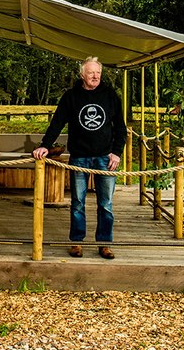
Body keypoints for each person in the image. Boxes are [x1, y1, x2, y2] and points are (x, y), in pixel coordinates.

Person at [32, 56, 125, 260]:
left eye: (98, 73)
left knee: (106, 204)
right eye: (91, 73)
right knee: (77, 203)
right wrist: (45, 145)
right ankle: (76, 241)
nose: (95, 76)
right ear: (82, 74)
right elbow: (57, 123)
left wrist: (117, 152)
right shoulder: (71, 97)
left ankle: (104, 243)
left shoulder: (110, 96)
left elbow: (121, 128)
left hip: (105, 157)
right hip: (79, 158)